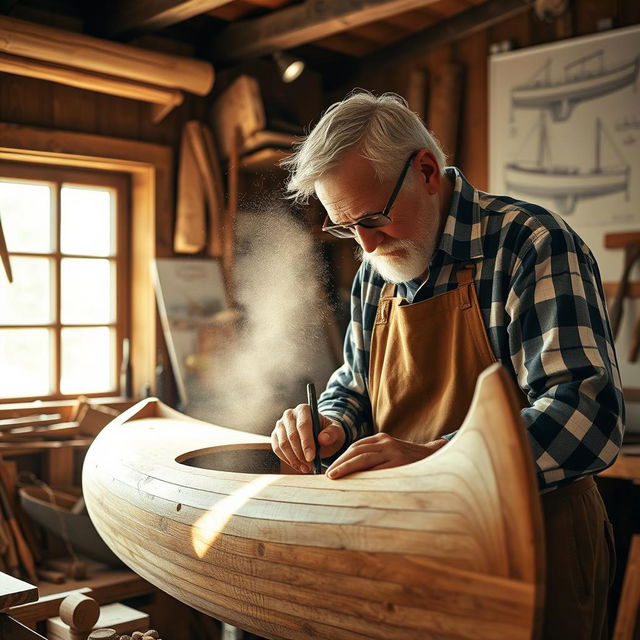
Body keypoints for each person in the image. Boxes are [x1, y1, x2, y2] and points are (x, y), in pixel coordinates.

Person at [270, 90, 624, 639]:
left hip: (530, 552)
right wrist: (333, 423)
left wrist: (438, 460)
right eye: (345, 228)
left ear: (427, 171)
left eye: (373, 217)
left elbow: (587, 414)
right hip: (411, 555)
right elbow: (358, 383)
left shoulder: (531, 245)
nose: (364, 243)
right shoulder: (375, 269)